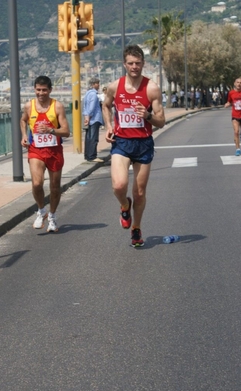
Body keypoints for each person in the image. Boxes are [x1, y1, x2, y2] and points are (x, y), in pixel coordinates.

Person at [102, 44, 165, 248]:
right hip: (122, 142)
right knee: (119, 185)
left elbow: (161, 121)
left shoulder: (151, 88)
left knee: (139, 192)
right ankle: (124, 204)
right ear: (124, 64)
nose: (134, 66)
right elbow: (106, 105)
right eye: (131, 63)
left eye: (138, 63)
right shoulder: (115, 86)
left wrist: (146, 115)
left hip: (143, 143)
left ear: (143, 64)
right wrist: (109, 126)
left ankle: (136, 228)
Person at [20, 75, 70, 231]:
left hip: (54, 150)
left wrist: (51, 130)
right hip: (36, 150)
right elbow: (23, 120)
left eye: (44, 90)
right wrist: (24, 136)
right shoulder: (29, 106)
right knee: (36, 183)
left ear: (50, 90)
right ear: (34, 89)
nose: (41, 93)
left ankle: (53, 216)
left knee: (55, 187)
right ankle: (42, 211)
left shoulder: (57, 106)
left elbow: (66, 131)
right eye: (38, 90)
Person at [82, 77, 104, 162]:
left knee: (88, 137)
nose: (98, 85)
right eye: (97, 83)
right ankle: (92, 156)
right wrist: (89, 116)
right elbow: (92, 107)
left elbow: (85, 106)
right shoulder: (94, 95)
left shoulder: (87, 94)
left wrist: (86, 116)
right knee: (93, 138)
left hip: (89, 118)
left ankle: (87, 155)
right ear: (93, 84)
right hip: (94, 118)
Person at [225, 77, 241, 156]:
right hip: (235, 116)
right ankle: (238, 149)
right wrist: (227, 104)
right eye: (237, 82)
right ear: (234, 83)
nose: (239, 84)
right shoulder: (231, 93)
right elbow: (229, 101)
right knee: (236, 132)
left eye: (240, 82)